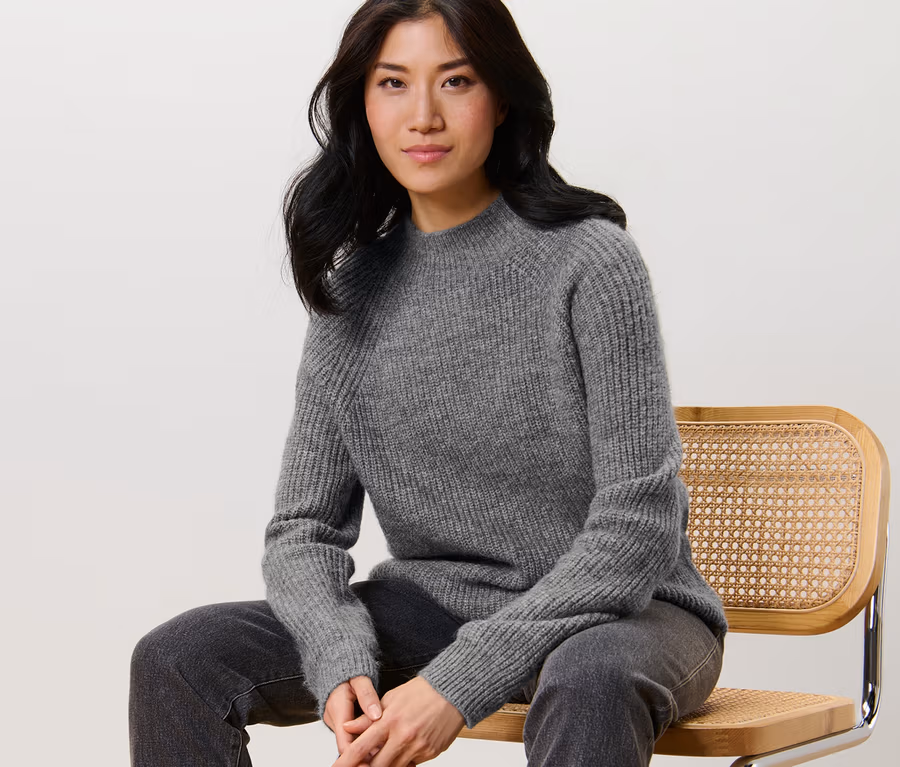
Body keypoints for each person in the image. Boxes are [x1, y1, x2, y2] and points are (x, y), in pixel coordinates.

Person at [129, 2, 729, 766]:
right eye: (393, 83)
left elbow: (638, 525)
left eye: (456, 81)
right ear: (362, 104)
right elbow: (303, 529)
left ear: (502, 98)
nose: (423, 116)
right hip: (433, 607)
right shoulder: (354, 290)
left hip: (629, 611)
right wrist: (338, 653)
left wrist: (459, 679)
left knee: (589, 679)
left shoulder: (591, 262)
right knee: (179, 659)